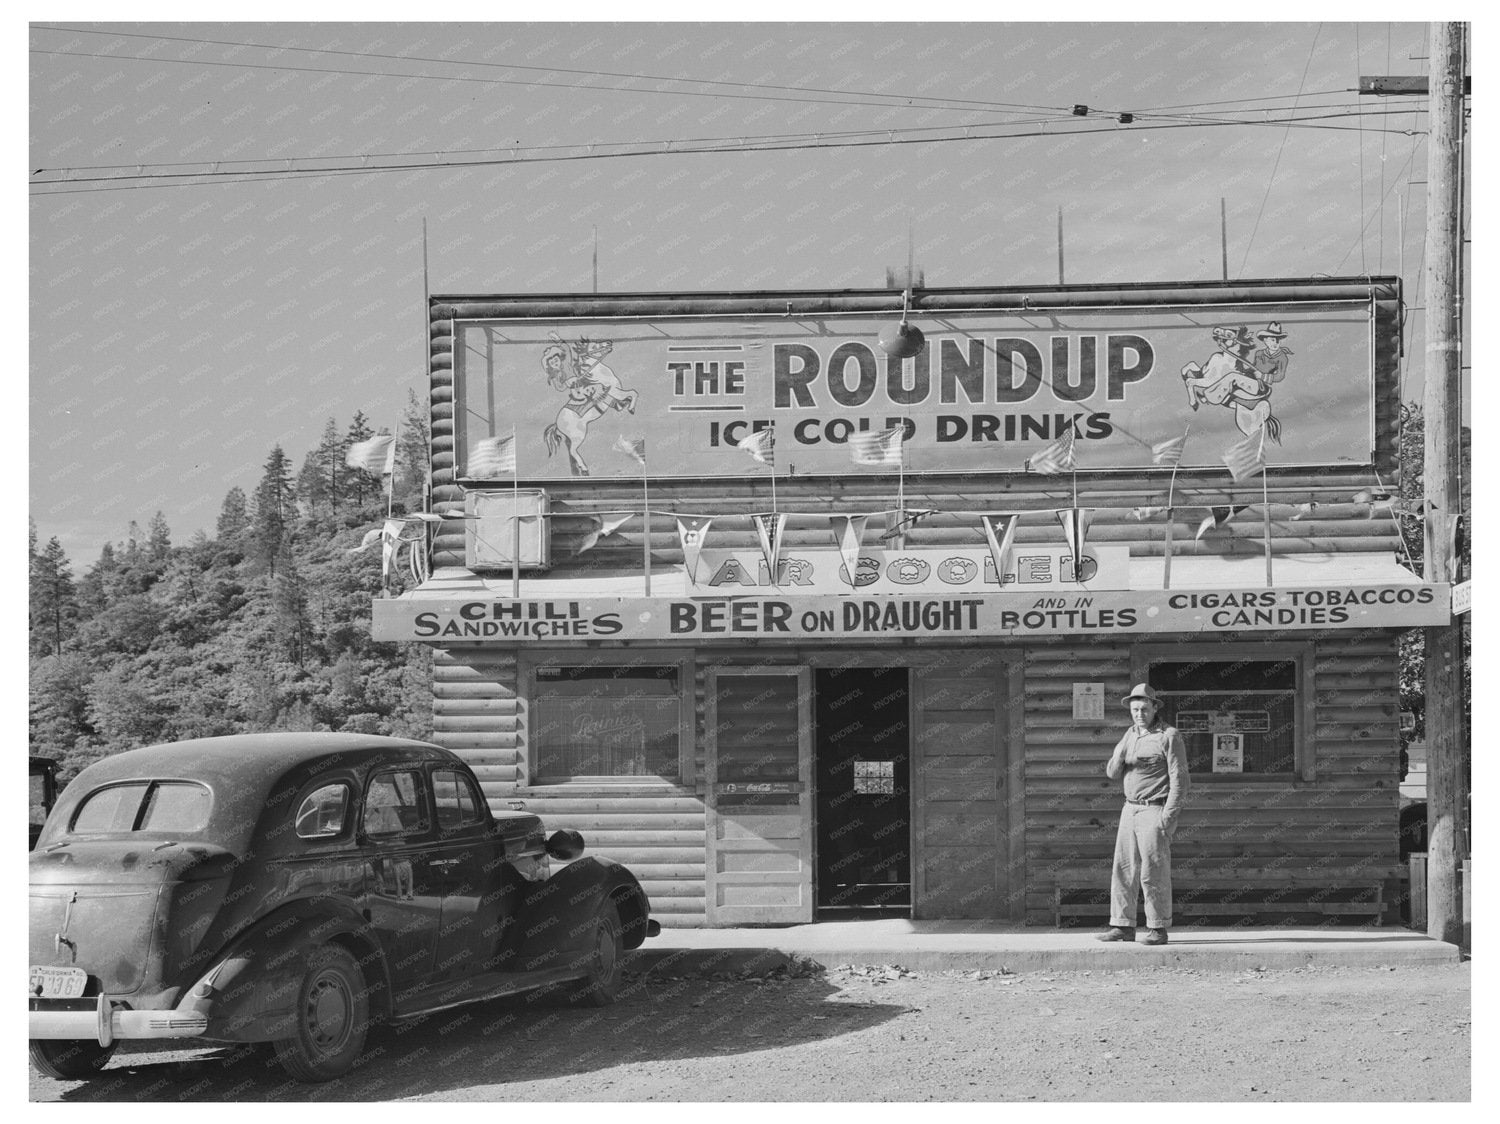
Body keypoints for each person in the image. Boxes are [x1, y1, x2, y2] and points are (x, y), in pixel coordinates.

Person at [1097, 684, 1189, 945]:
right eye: (1135, 709)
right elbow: (1112, 773)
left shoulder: (1169, 736)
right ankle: (1122, 926)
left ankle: (1158, 928)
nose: (1139, 714)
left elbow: (1180, 781)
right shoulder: (1130, 735)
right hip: (1130, 808)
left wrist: (1168, 817)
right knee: (1123, 869)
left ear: (1154, 708)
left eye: (1144, 709)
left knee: (1153, 871)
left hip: (1154, 809)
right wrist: (1121, 753)